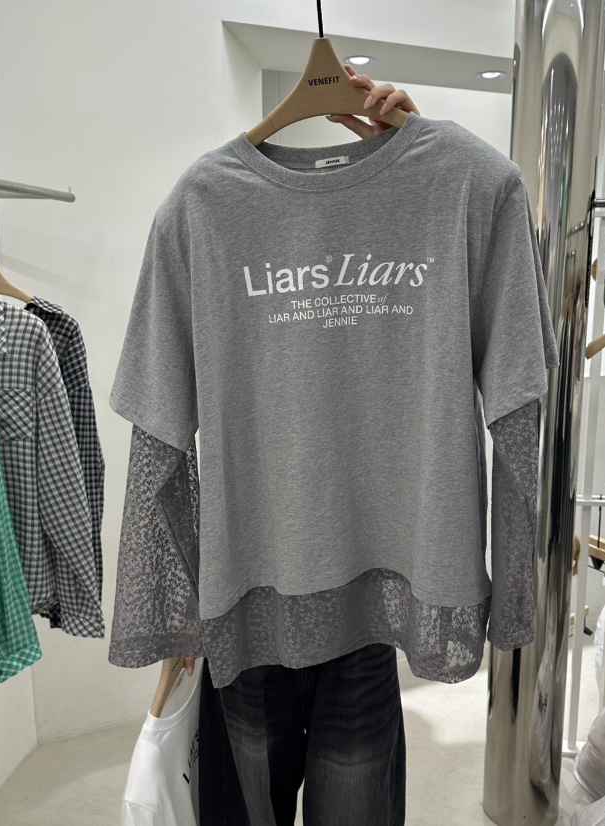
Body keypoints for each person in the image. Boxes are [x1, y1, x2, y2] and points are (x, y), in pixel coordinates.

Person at [193, 68, 420, 826]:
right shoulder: (204, 207)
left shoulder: (437, 196)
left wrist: (411, 166)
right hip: (247, 603)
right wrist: (177, 611)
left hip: (363, 596)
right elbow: (162, 429)